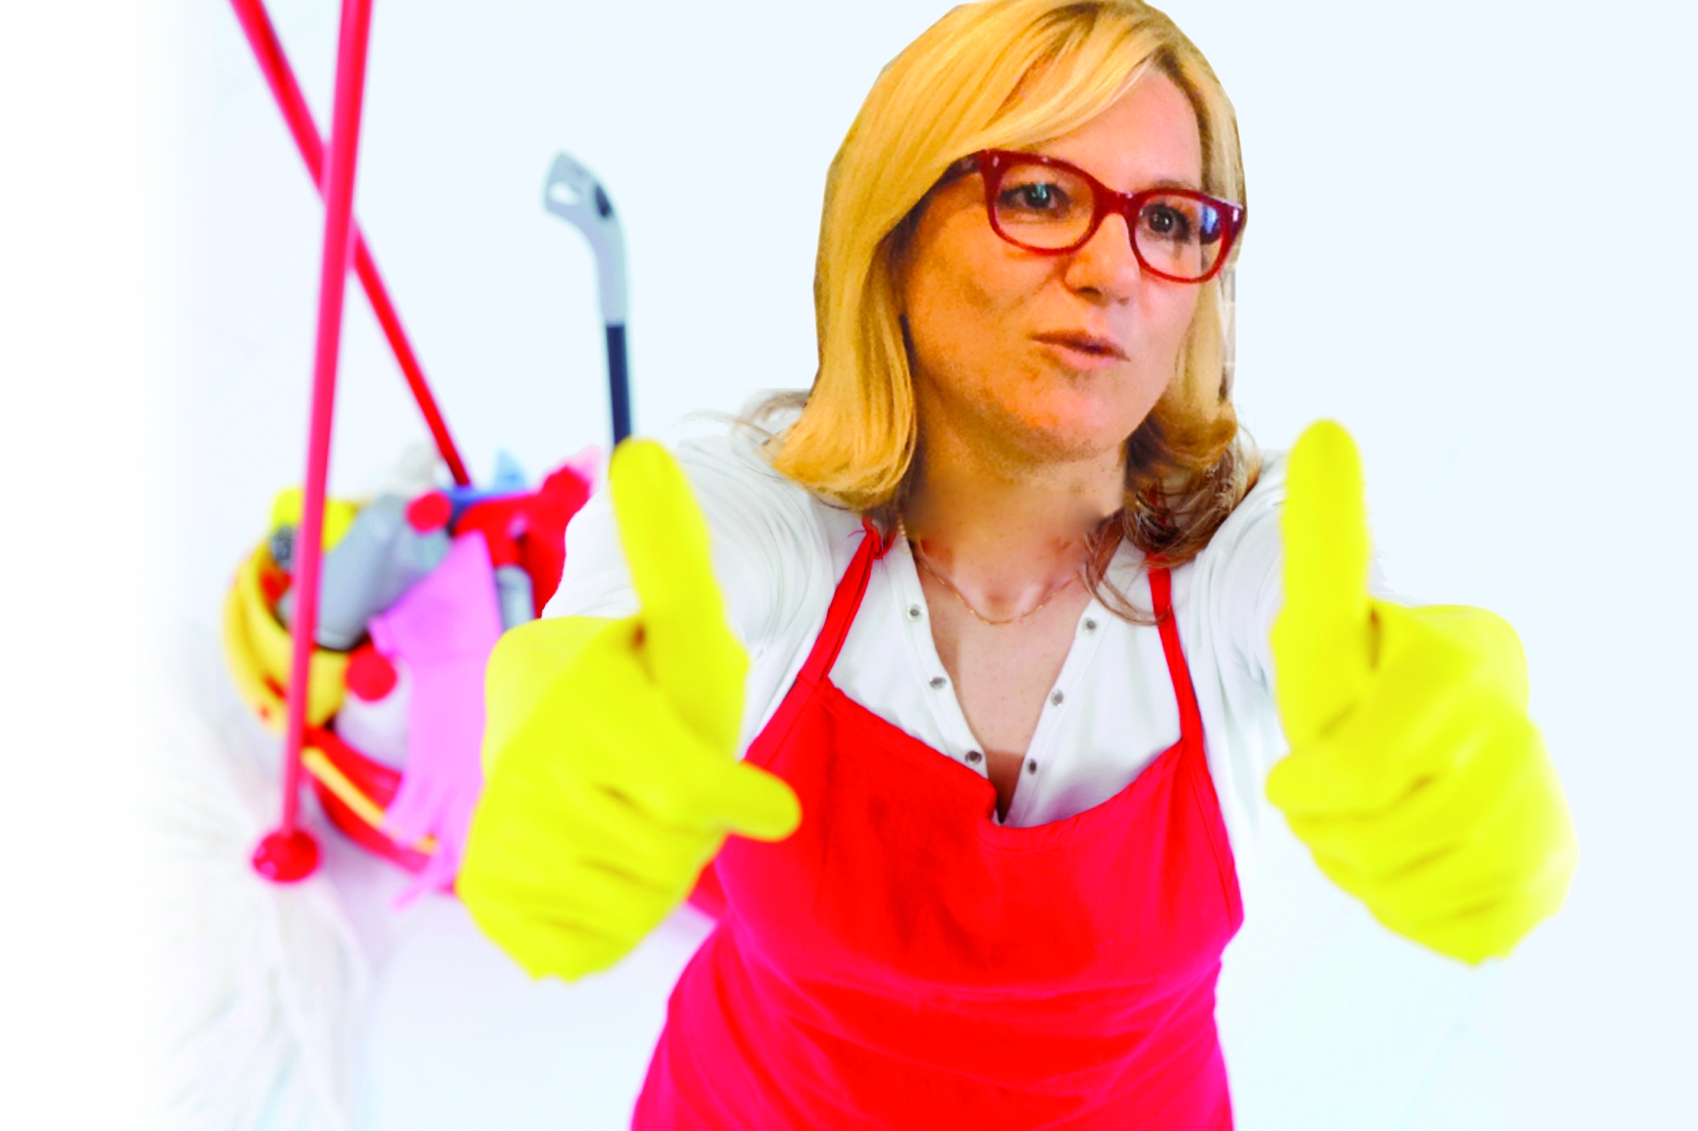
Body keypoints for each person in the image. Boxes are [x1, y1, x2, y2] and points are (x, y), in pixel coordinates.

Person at [457, 1, 1578, 1126]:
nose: (1114, 271)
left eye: (1170, 220)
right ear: (895, 228)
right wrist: (557, 719)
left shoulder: (1235, 549)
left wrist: (1456, 698)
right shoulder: (759, 517)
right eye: (1040, 195)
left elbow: (1371, 624)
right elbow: (614, 624)